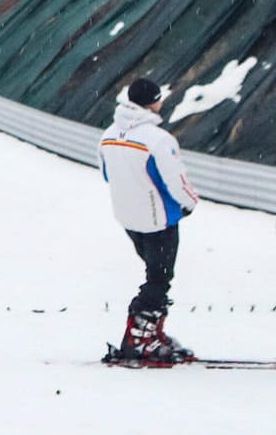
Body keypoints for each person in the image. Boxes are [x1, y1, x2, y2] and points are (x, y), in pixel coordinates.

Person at [100, 77, 200, 364]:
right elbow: (176, 181)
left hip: (128, 218)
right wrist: (189, 204)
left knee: (155, 274)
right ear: (153, 102)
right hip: (159, 220)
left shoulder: (108, 134)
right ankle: (140, 336)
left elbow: (107, 174)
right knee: (159, 278)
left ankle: (150, 332)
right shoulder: (159, 140)